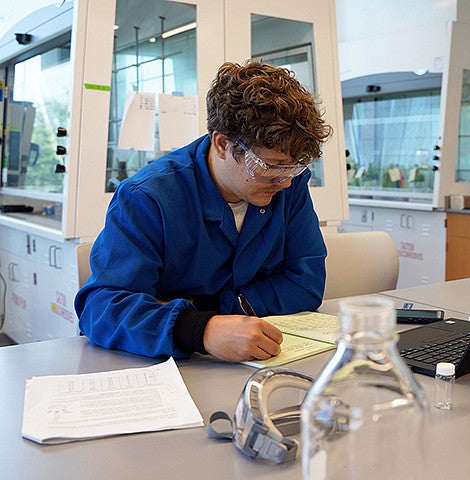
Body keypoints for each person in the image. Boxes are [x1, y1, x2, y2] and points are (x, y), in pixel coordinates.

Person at [75, 61, 333, 362]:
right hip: (168, 368)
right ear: (222, 144)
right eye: (271, 166)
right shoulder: (147, 197)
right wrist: (200, 330)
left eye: (296, 164)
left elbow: (306, 284)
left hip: (259, 362)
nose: (286, 180)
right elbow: (102, 307)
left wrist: (207, 305)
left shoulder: (289, 183)